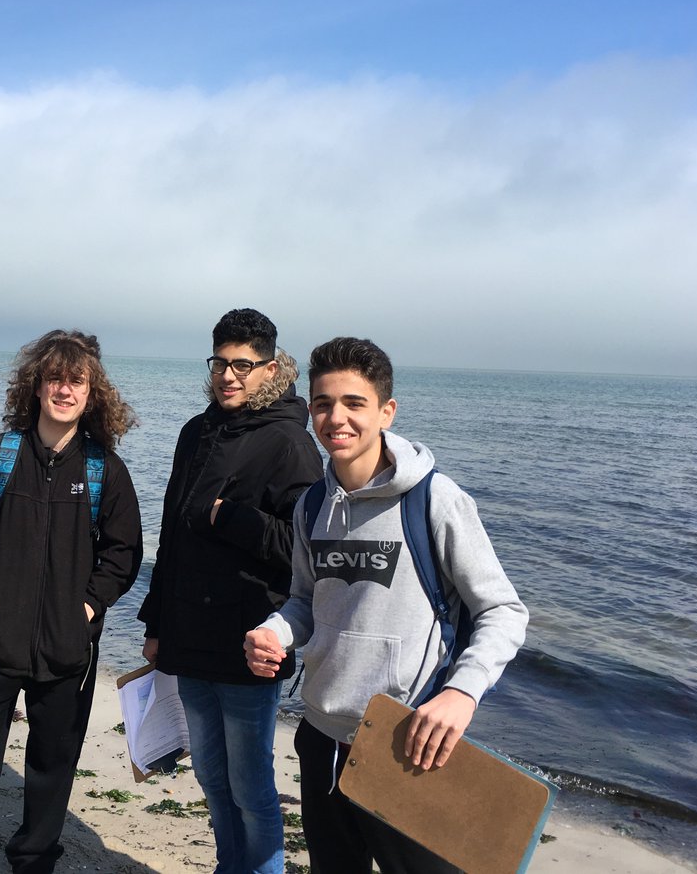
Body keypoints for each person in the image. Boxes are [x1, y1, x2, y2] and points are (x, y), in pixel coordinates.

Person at [244, 336, 529, 874]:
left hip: (407, 740)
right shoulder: (311, 506)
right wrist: (274, 632)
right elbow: (306, 600)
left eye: (354, 403)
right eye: (323, 404)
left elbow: (503, 611)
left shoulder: (436, 500)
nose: (337, 418)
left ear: (386, 411)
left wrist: (462, 693)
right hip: (321, 735)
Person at [0, 330, 143, 874]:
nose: (64, 390)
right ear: (36, 386)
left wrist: (84, 611)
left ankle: (34, 861)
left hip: (68, 651)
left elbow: (124, 554)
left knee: (52, 767)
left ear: (92, 393)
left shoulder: (104, 470)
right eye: (55, 379)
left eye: (77, 381)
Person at [137, 308, 325, 874]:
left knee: (250, 785)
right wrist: (155, 625)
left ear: (270, 369)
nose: (228, 375)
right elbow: (171, 537)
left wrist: (233, 519)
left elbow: (305, 550)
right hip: (188, 636)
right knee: (210, 777)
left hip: (250, 643)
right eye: (220, 362)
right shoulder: (195, 432)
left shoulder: (291, 442)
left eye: (243, 365)